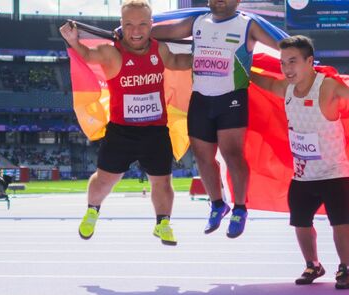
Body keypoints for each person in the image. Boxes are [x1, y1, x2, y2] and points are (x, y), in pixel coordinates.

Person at [250, 35, 349, 289]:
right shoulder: (286, 89)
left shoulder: (325, 87)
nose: (286, 69)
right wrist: (240, 68)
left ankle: (345, 268)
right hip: (302, 175)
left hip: (333, 173)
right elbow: (264, 82)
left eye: (292, 62)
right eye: (283, 63)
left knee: (341, 222)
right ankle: (313, 264)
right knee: (300, 223)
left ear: (309, 61)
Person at [60, 0, 192, 245]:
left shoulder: (159, 49)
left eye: (142, 24)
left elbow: (177, 62)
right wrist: (73, 40)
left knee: (162, 181)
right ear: (121, 25)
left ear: (151, 25)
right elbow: (88, 55)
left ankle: (163, 223)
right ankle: (92, 210)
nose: (136, 30)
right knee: (104, 180)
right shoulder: (112, 53)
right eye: (129, 24)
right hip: (122, 132)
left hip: (155, 131)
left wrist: (201, 59)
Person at [150, 0, 280, 238]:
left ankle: (240, 208)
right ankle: (218, 204)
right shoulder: (197, 22)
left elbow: (284, 45)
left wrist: (304, 57)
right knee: (202, 157)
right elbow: (161, 32)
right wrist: (133, 31)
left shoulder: (248, 25)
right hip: (201, 99)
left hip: (232, 99)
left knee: (232, 154)